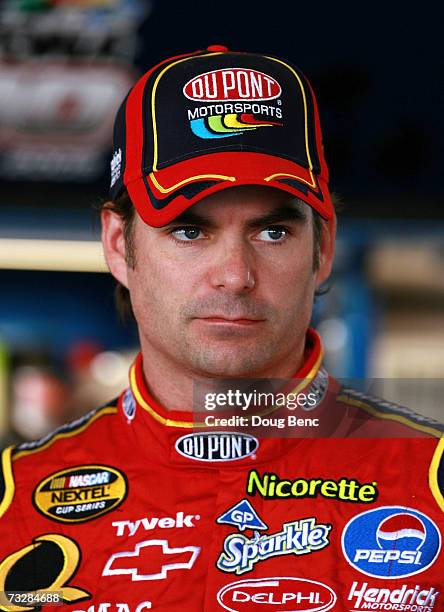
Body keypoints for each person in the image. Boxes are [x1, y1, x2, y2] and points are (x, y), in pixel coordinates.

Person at [0, 45, 443, 611]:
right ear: (118, 245)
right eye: (189, 231)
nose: (235, 276)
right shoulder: (13, 502)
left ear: (324, 248)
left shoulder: (432, 484)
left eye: (272, 232)